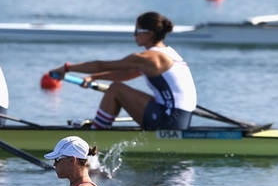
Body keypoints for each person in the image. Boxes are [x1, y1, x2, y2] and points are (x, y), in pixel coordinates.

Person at [49, 11, 197, 130]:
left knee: (116, 89)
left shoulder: (150, 57)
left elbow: (102, 65)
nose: (134, 35)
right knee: (119, 87)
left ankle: (96, 133)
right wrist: (93, 77)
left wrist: (67, 68)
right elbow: (127, 74)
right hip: (179, 119)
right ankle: (100, 128)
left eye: (137, 30)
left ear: (150, 33)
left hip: (168, 120)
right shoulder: (169, 53)